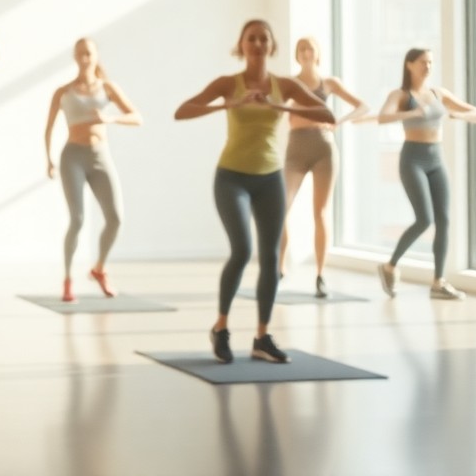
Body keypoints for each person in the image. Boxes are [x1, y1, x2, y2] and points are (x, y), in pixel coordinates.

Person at [174, 19, 333, 364]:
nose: (258, 44)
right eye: (252, 38)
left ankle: (262, 337)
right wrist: (227, 105)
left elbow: (326, 113)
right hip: (231, 177)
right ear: (242, 45)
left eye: (264, 39)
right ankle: (221, 328)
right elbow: (182, 111)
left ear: (272, 46)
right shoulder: (227, 84)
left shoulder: (284, 86)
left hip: (270, 179)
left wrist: (283, 108)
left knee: (271, 256)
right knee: (242, 250)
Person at [376, 48, 476, 299]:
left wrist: (458, 114)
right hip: (412, 159)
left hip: (436, 159)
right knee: (424, 219)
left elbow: (475, 112)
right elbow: (383, 117)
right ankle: (390, 266)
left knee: (444, 219)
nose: (428, 66)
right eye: (423, 62)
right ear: (409, 64)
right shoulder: (401, 94)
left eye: (431, 62)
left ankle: (438, 281)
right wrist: (413, 113)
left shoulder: (438, 94)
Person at [44, 37, 141, 302]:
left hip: (100, 155)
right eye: (80, 54)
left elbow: (136, 117)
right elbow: (49, 127)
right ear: (75, 57)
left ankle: (99, 268)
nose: (85, 58)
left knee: (115, 218)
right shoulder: (63, 91)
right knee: (77, 220)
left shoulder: (108, 88)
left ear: (96, 56)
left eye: (89, 53)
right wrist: (49, 159)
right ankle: (67, 279)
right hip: (72, 156)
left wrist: (110, 118)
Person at [277, 37, 366, 296]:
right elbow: (275, 110)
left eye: (310, 48)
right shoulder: (290, 84)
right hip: (296, 148)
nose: (306, 53)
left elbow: (363, 106)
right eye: (301, 49)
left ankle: (320, 275)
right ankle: (280, 268)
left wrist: (339, 120)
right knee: (282, 208)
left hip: (323, 148)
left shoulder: (330, 83)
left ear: (317, 54)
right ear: (297, 55)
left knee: (321, 212)